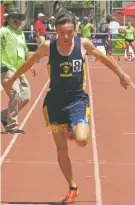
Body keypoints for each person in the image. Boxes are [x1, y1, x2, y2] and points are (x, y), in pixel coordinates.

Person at [3, 12, 134, 203]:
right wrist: (11, 80)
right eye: (61, 32)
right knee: (61, 149)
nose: (65, 37)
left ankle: (74, 127)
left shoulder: (83, 44)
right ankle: (73, 187)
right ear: (55, 31)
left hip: (77, 100)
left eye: (69, 32)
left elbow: (104, 59)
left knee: (81, 140)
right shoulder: (49, 46)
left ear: (75, 30)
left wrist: (121, 75)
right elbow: (28, 63)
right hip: (55, 101)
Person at [0, 8, 31, 134]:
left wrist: (31, 65)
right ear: (8, 19)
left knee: (26, 96)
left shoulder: (21, 33)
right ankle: (11, 125)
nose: (17, 21)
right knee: (15, 94)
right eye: (14, 18)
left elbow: (25, 50)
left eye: (19, 18)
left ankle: (4, 115)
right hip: (7, 68)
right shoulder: (3, 31)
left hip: (20, 70)